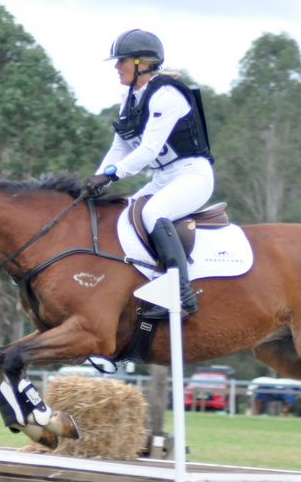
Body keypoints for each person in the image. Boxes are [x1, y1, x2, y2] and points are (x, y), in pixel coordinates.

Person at [85, 29, 214, 319]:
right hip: (162, 178)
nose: (116, 68)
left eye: (122, 61)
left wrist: (110, 176)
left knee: (154, 212)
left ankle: (182, 296)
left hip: (192, 175)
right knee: (122, 217)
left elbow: (147, 150)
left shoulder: (167, 94)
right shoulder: (130, 100)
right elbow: (119, 148)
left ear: (142, 63)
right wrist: (97, 179)